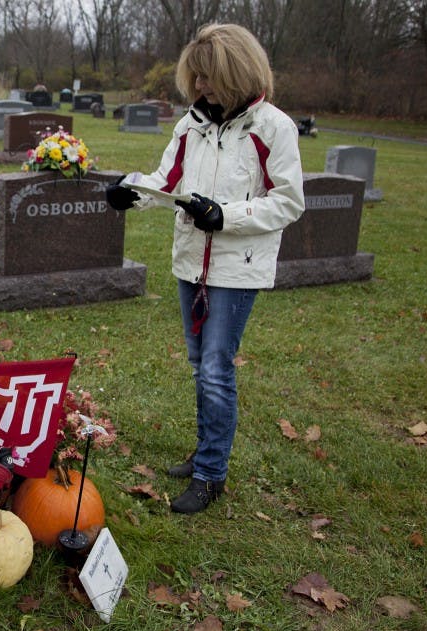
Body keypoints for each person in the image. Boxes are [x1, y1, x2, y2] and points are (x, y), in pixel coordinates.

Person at [106, 23, 304, 514]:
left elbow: (288, 201)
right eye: (195, 78)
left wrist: (226, 216)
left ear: (235, 73)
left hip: (237, 271)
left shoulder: (272, 127)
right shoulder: (191, 125)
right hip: (190, 263)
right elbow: (165, 180)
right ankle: (204, 454)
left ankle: (212, 473)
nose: (199, 88)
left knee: (216, 369)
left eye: (207, 78)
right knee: (200, 367)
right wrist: (130, 190)